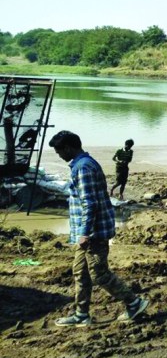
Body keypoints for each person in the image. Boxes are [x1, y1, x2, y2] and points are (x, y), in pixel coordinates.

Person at [48, 131, 149, 327]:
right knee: (80, 272)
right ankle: (81, 314)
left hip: (93, 233)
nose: (58, 155)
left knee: (99, 273)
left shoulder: (83, 168)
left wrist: (84, 233)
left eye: (58, 151)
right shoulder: (81, 164)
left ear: (67, 148)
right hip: (87, 232)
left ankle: (134, 302)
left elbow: (89, 203)